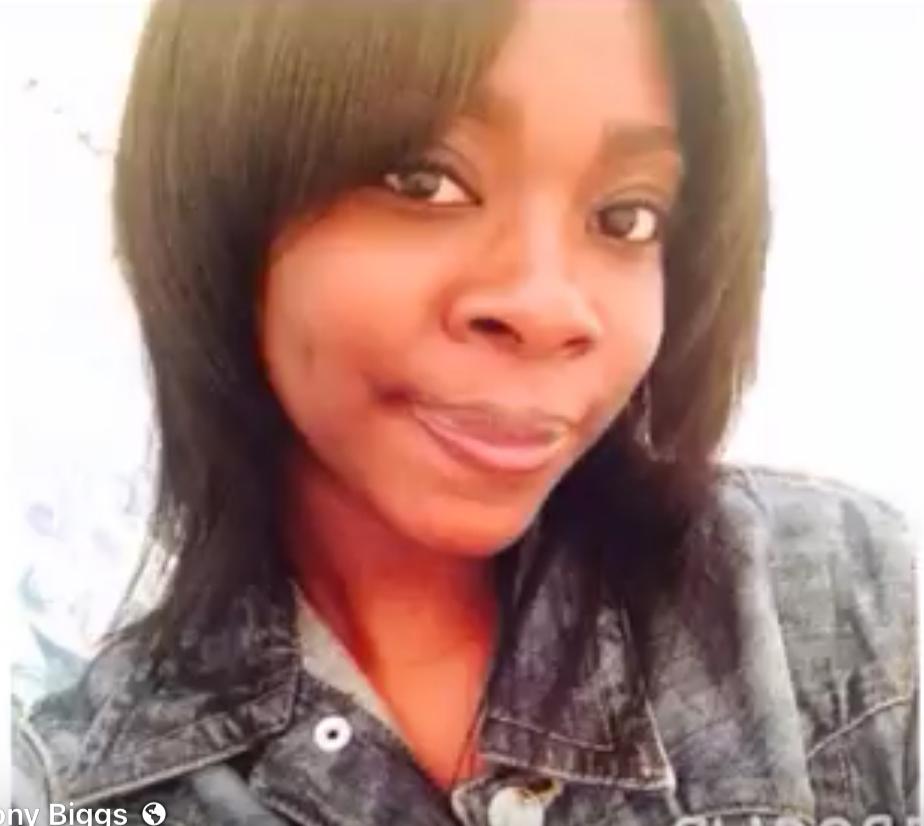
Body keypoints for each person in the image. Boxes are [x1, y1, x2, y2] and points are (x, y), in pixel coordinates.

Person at [12, 0, 918, 823]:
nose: (550, 307)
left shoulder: (841, 606)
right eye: (423, 180)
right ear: (220, 201)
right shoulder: (76, 794)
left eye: (627, 217)